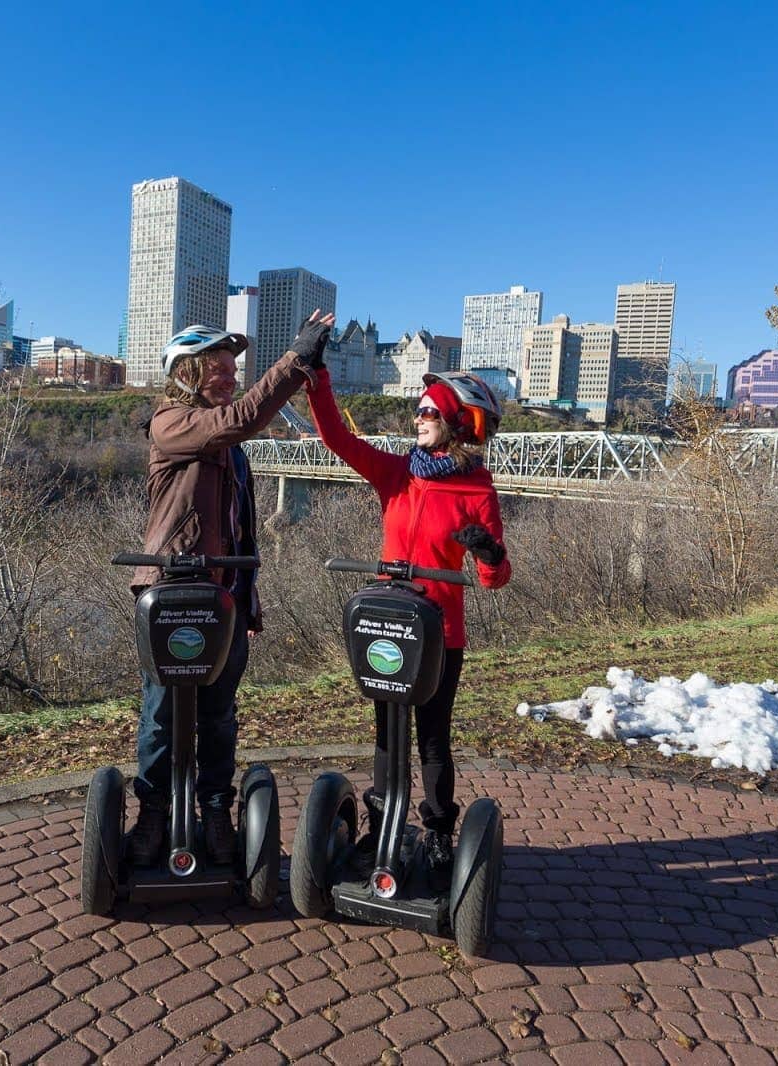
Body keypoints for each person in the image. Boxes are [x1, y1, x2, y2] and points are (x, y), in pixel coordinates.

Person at [129, 315, 334, 866]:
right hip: (173, 593)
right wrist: (293, 361)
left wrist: (247, 602)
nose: (229, 376)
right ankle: (153, 814)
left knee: (218, 714)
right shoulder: (171, 422)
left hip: (224, 599)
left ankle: (215, 808)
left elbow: (241, 531)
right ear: (186, 372)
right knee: (162, 714)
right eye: (218, 368)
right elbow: (242, 417)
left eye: (232, 369)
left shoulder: (233, 452)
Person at [304, 364, 511, 879]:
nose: (418, 418)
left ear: (458, 421)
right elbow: (336, 438)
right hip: (386, 625)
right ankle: (383, 822)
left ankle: (439, 833)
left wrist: (487, 552)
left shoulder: (477, 491)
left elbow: (495, 579)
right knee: (386, 734)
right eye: (417, 410)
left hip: (439, 635)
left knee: (432, 738)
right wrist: (318, 376)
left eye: (429, 411)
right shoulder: (398, 473)